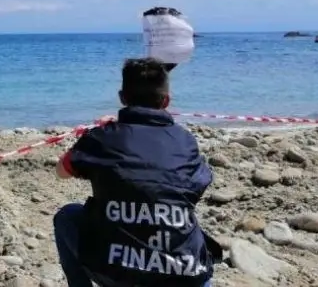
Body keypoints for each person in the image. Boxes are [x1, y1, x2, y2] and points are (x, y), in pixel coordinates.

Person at [53, 57, 222, 287]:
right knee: (186, 225)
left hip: (120, 272)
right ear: (166, 101)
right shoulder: (184, 140)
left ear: (122, 98)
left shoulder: (103, 137)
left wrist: (95, 137)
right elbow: (198, 186)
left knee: (67, 217)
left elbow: (61, 171)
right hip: (187, 275)